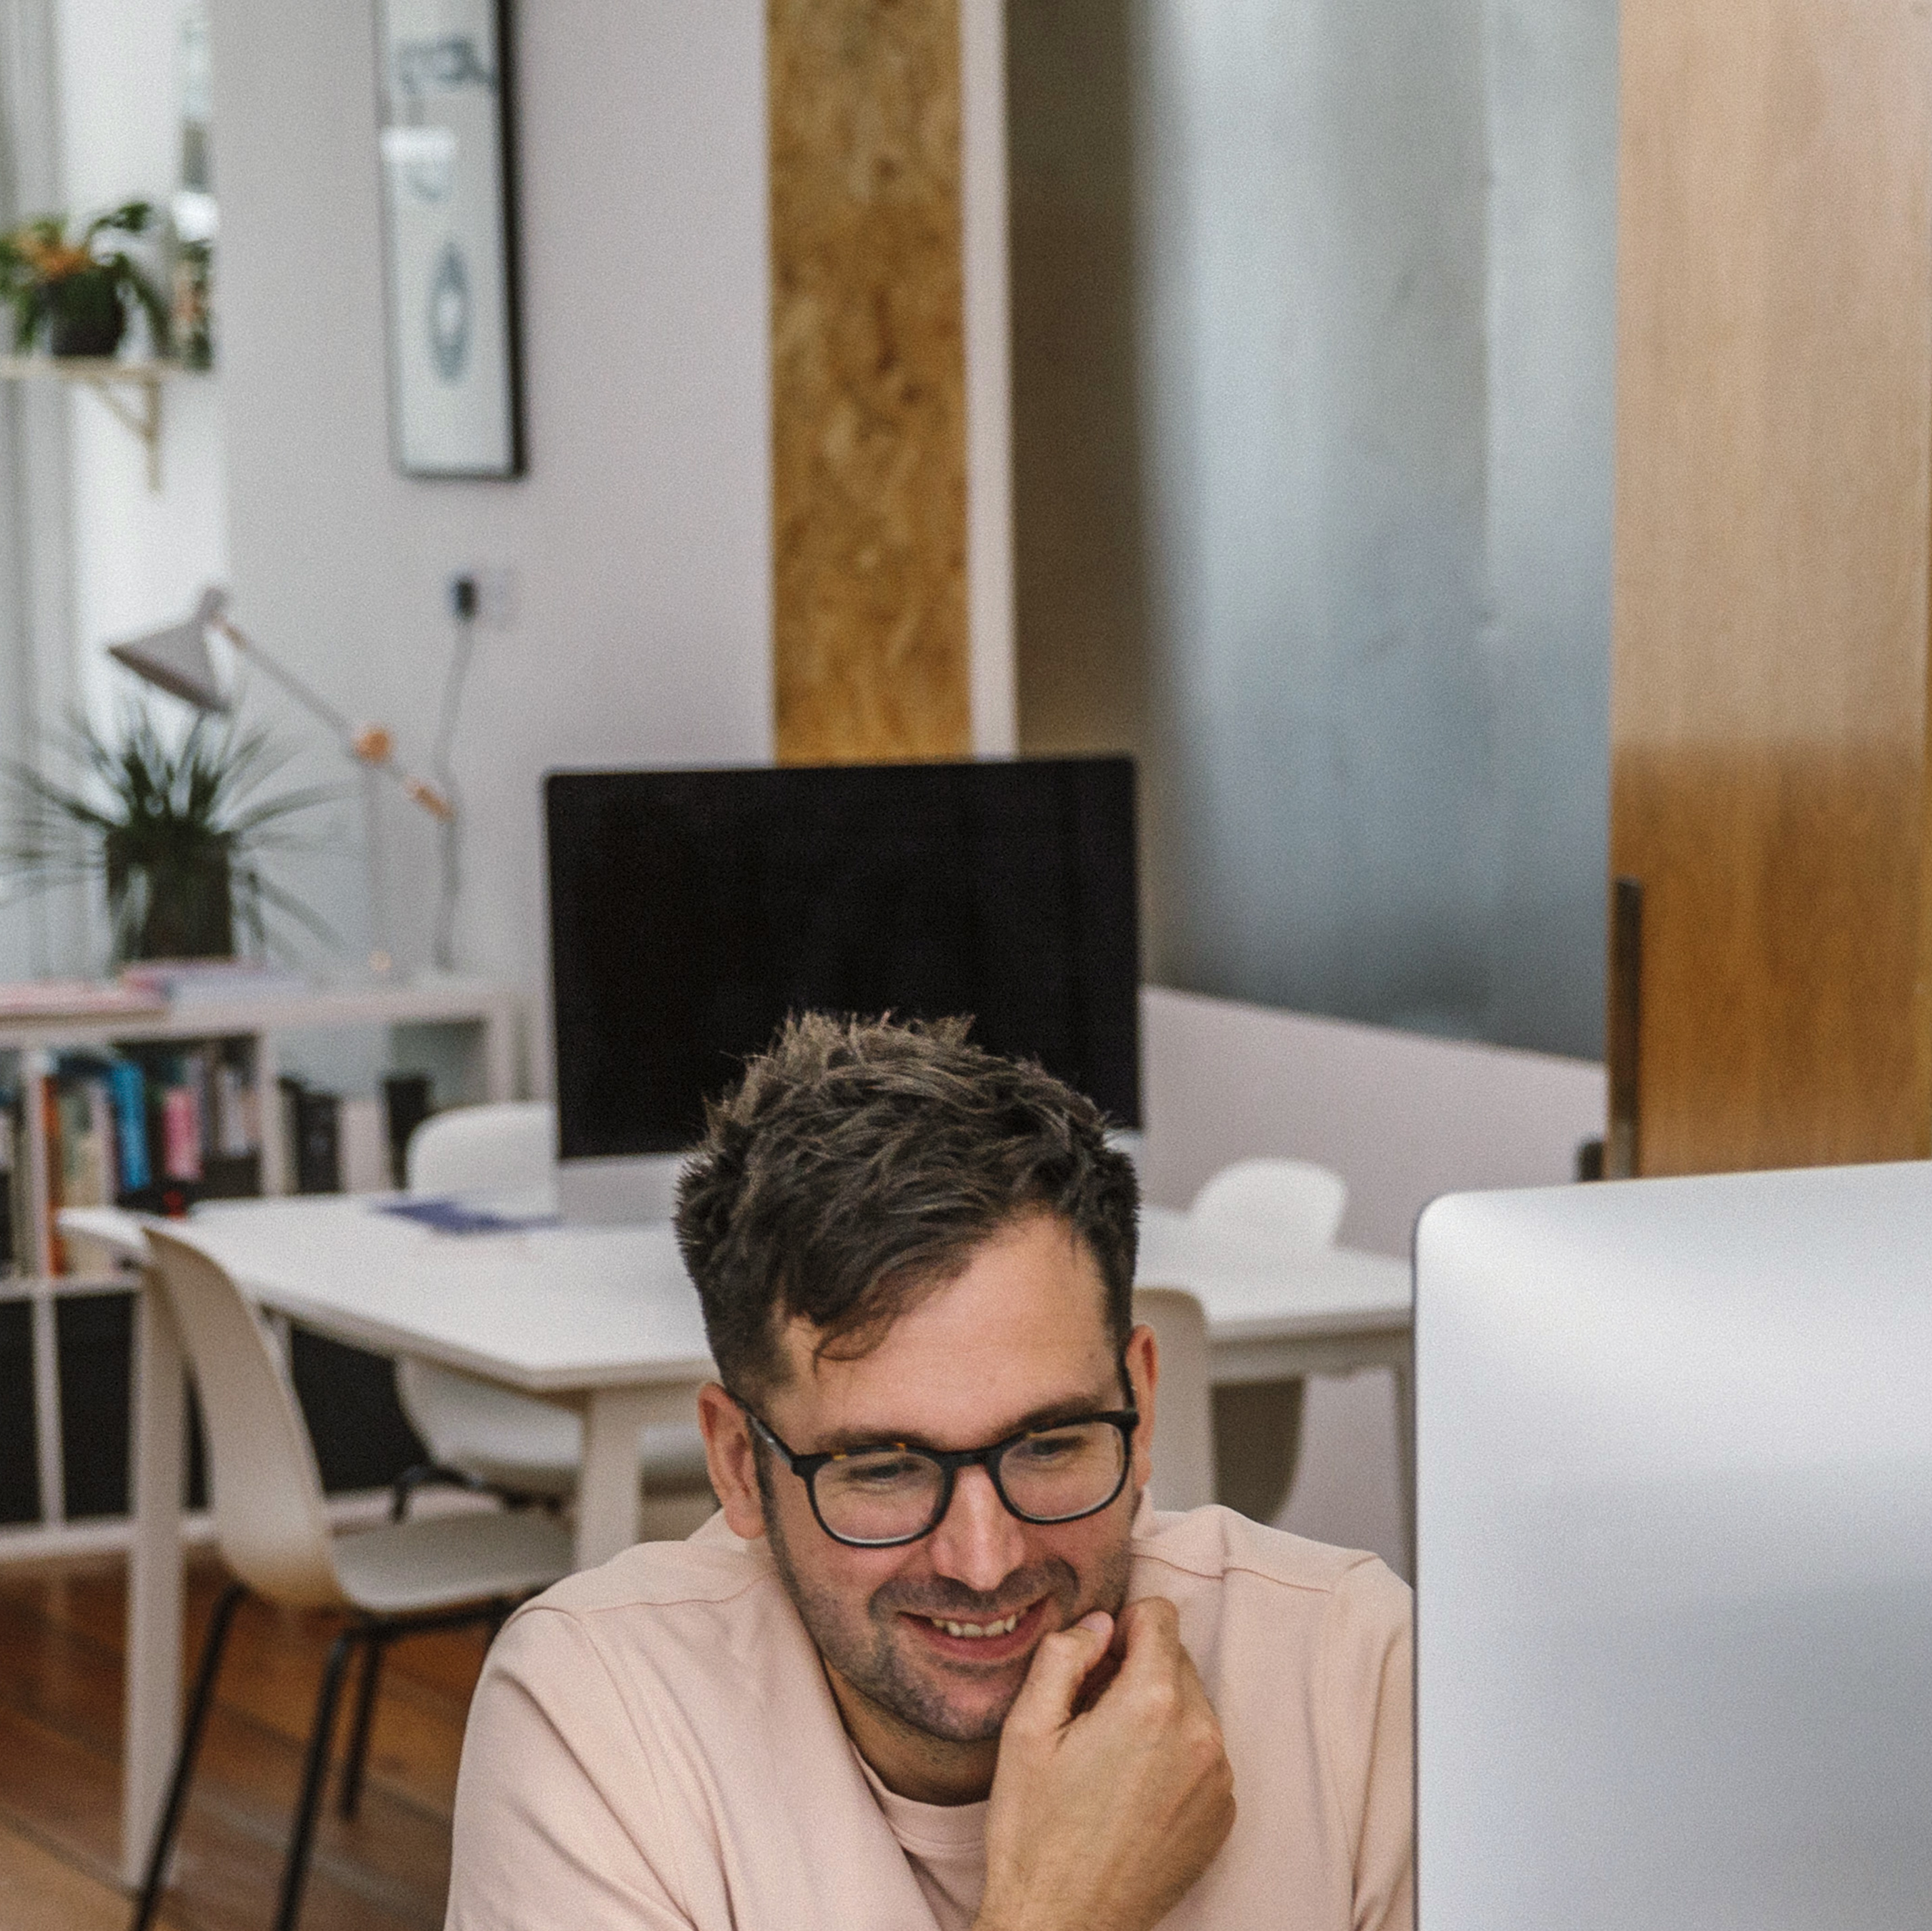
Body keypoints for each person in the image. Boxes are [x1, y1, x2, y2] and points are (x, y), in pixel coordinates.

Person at [445, 1015, 1412, 1931]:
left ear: (1142, 1403)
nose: (984, 1561)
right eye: (884, 1468)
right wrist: (1061, 1912)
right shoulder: (601, 1714)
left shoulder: (1349, 1672)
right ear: (740, 1464)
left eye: (1048, 1444)